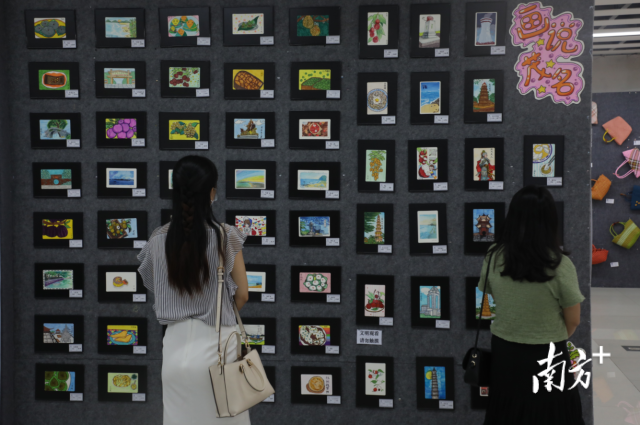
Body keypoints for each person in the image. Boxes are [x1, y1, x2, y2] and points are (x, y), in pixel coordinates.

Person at [137, 156, 250, 425]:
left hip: (174, 352)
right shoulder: (225, 236)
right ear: (212, 193)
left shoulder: (157, 239)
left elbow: (156, 286)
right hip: (218, 349)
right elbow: (242, 295)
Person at [479, 186, 585, 425]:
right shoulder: (560, 264)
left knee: (507, 411)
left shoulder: (493, 256)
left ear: (512, 217)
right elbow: (574, 320)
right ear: (550, 220)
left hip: (505, 352)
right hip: (548, 353)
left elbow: (491, 293)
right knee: (555, 414)